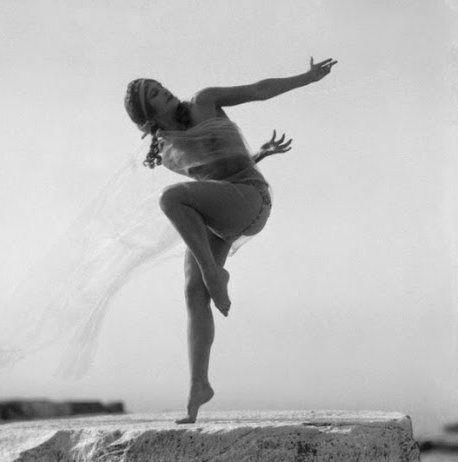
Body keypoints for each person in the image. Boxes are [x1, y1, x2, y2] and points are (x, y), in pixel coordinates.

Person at [123, 57, 337, 424]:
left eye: (161, 85)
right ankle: (198, 386)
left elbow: (258, 90)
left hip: (250, 199)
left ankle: (213, 273)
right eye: (156, 94)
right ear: (149, 116)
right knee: (192, 292)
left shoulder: (204, 101)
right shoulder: (168, 151)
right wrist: (259, 154)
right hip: (220, 212)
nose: (166, 91)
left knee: (171, 199)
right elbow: (214, 174)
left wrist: (308, 77)